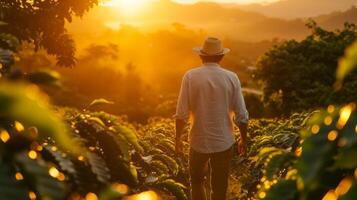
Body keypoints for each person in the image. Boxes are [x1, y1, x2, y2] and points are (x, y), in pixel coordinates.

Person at [175, 37, 249, 200]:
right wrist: (243, 139)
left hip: (198, 141)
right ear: (221, 57)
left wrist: (178, 139)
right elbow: (242, 115)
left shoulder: (190, 76)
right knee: (219, 187)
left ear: (201, 56)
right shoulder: (232, 77)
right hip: (224, 142)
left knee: (196, 182)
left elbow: (181, 114)